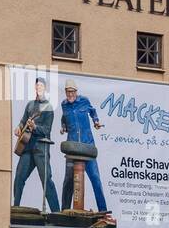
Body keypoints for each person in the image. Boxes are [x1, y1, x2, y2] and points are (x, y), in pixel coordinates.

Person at [60, 79, 109, 213]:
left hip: (87, 147)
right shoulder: (64, 105)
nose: (70, 94)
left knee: (95, 178)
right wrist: (63, 127)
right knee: (68, 180)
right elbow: (64, 118)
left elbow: (93, 111)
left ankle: (103, 212)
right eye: (67, 92)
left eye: (72, 92)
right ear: (65, 92)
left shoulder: (84, 101)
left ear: (76, 92)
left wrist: (96, 122)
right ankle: (64, 210)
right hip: (72, 148)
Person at [12, 78, 60, 212]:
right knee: (19, 178)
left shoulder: (48, 107)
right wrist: (19, 128)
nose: (39, 88)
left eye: (41, 86)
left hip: (41, 148)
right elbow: (23, 121)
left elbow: (47, 130)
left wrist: (35, 127)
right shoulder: (30, 105)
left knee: (47, 181)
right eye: (37, 85)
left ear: (45, 89)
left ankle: (56, 213)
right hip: (27, 147)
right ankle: (15, 209)